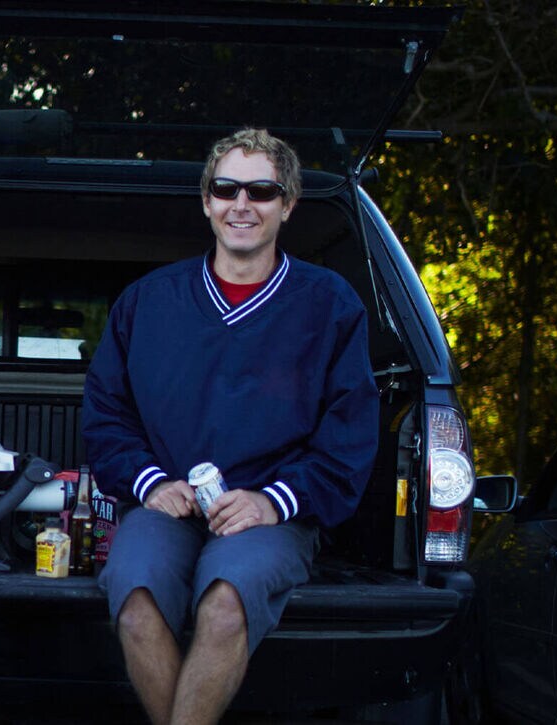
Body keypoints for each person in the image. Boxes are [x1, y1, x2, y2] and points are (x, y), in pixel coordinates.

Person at [82, 128, 379, 725]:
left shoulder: (329, 304)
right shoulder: (148, 301)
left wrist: (272, 502)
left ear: (288, 205)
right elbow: (106, 414)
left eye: (262, 191)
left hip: (272, 514)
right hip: (168, 507)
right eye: (226, 188)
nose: (242, 204)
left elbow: (349, 432)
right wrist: (149, 483)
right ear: (206, 200)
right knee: (134, 597)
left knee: (224, 603)